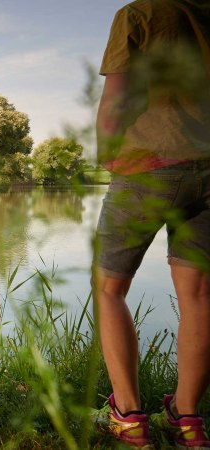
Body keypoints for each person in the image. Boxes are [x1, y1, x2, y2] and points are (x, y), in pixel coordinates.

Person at [94, 0, 210, 448]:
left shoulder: (138, 14)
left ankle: (129, 417)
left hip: (146, 167)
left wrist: (108, 151)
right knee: (199, 296)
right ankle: (187, 420)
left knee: (108, 289)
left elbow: (117, 95)